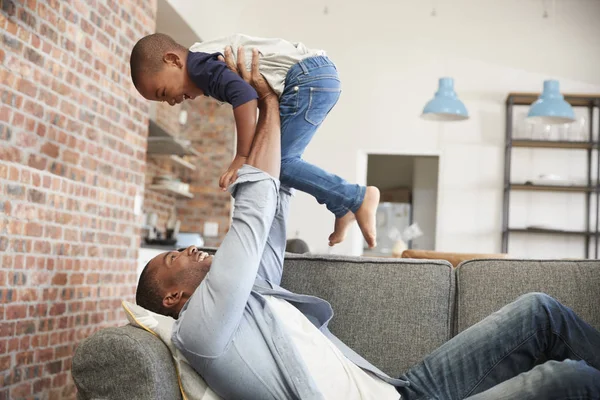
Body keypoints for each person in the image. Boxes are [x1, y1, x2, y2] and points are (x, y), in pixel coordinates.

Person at [135, 50, 600, 400]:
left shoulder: (245, 300)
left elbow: (270, 214)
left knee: (540, 312)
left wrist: (275, 108)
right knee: (569, 380)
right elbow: (251, 218)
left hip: (403, 390)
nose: (193, 250)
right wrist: (264, 101)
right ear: (174, 297)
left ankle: (351, 197)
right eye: (175, 256)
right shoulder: (200, 333)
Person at [129, 32, 379, 248]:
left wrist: (242, 156)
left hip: (307, 79)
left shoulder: (199, 66)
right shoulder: (203, 61)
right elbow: (250, 97)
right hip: (315, 77)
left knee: (279, 163)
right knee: (273, 164)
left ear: (173, 60)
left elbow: (245, 95)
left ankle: (356, 197)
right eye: (163, 101)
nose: (171, 101)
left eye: (163, 93)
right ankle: (341, 205)